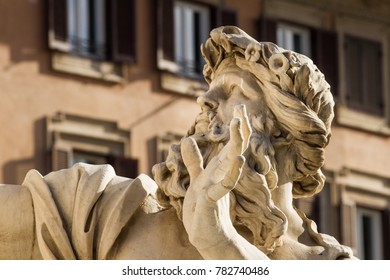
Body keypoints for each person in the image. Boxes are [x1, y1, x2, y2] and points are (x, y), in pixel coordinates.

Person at [0, 26, 354, 260]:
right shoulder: (105, 208)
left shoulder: (332, 265)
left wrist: (222, 246)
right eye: (208, 90)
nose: (205, 102)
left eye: (233, 91)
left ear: (284, 128)